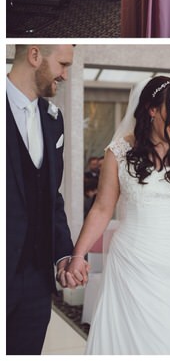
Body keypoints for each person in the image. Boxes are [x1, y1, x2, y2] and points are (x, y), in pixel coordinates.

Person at [68, 76, 170, 353]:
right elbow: (101, 208)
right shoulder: (119, 152)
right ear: (151, 109)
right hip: (132, 263)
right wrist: (78, 255)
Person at [6, 45, 77, 354]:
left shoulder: (53, 119)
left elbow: (51, 196)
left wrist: (63, 254)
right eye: (62, 63)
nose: (64, 74)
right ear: (34, 56)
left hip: (36, 284)